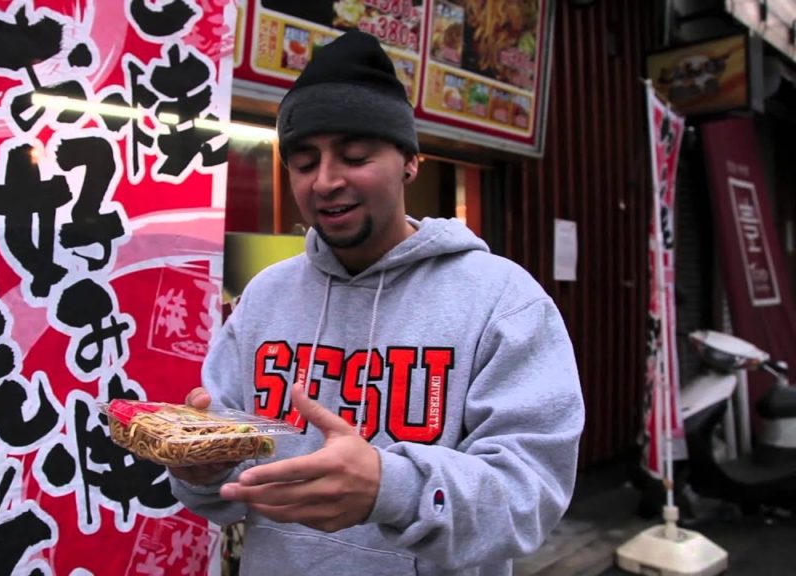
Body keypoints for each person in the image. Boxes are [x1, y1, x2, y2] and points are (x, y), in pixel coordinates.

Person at [169, 30, 584, 576]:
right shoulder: (264, 297)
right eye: (303, 162)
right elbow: (224, 493)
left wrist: (392, 487)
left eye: (355, 155)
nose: (326, 181)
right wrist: (200, 469)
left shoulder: (502, 301)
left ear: (410, 161)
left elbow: (528, 499)